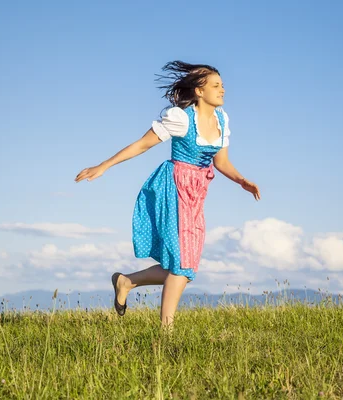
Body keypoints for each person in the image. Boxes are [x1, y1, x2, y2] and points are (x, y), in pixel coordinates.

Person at [75, 61, 260, 329]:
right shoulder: (181, 117)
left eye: (223, 85)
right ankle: (166, 332)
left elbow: (221, 162)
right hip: (173, 187)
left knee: (185, 266)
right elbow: (142, 144)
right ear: (199, 90)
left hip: (197, 192)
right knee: (183, 263)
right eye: (216, 85)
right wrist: (103, 165)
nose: (223, 90)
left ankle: (126, 281)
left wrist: (242, 180)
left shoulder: (222, 119)